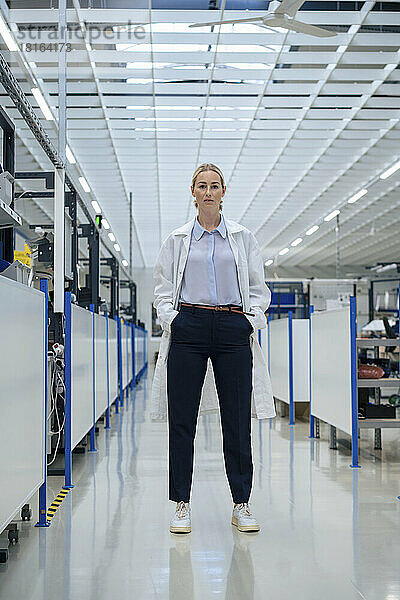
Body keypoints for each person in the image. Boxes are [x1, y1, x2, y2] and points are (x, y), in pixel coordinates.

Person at [151, 163, 275, 534]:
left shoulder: (242, 238)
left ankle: (242, 503)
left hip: (232, 328)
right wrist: (173, 319)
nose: (208, 191)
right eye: (202, 186)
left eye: (214, 186)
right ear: (193, 192)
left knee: (236, 419)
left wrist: (248, 321)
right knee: (183, 419)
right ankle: (181, 504)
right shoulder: (177, 239)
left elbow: (257, 286)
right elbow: (161, 287)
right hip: (189, 326)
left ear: (224, 192)